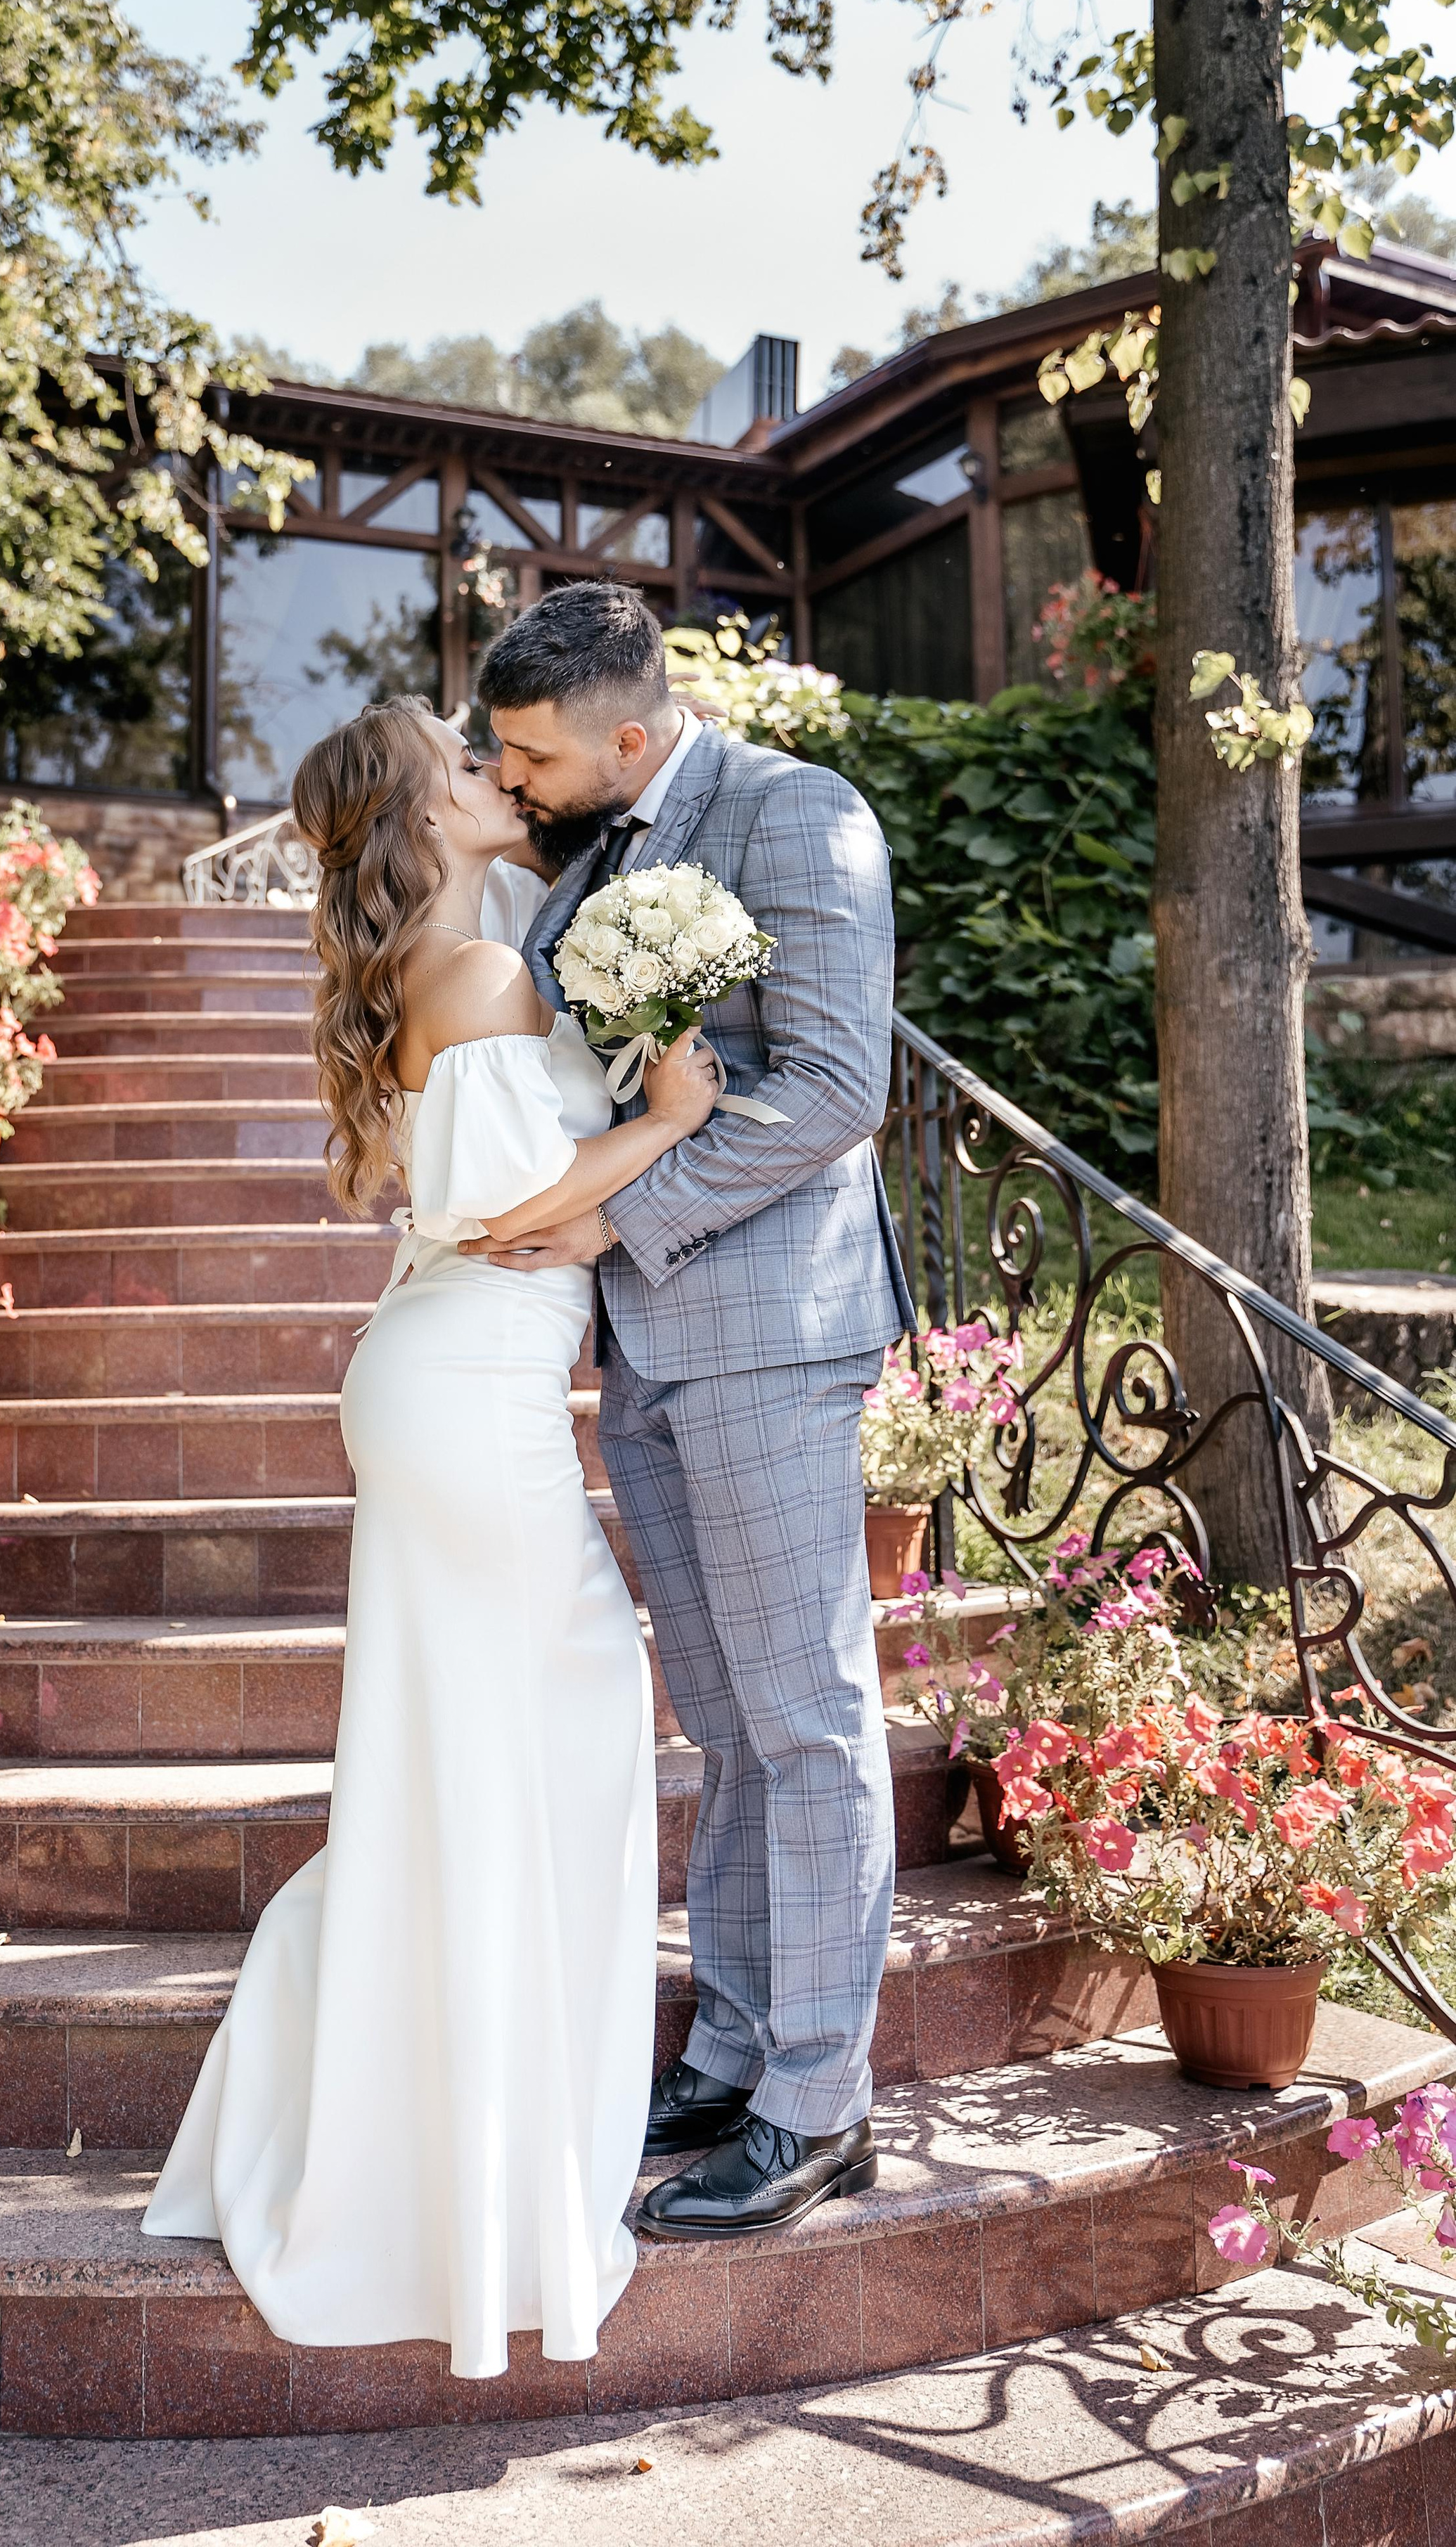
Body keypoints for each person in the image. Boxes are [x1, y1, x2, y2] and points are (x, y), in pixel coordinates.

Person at [141, 696, 721, 2378]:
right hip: (464, 1392)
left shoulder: (454, 969)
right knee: (561, 1737)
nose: (492, 776)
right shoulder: (475, 976)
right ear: (419, 820)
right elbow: (494, 1216)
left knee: (488, 1763)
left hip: (447, 1385)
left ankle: (447, 2141)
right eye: (461, 768)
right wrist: (672, 1117)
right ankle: (470, 2163)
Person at [468, 579, 915, 2240]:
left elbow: (827, 1086)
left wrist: (614, 1218)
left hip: (770, 1333)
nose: (508, 777)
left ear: (631, 736)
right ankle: (731, 2046)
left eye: (528, 752)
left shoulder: (801, 817)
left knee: (804, 1720)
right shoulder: (582, 853)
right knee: (723, 1722)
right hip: (639, 1349)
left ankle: (819, 2103)